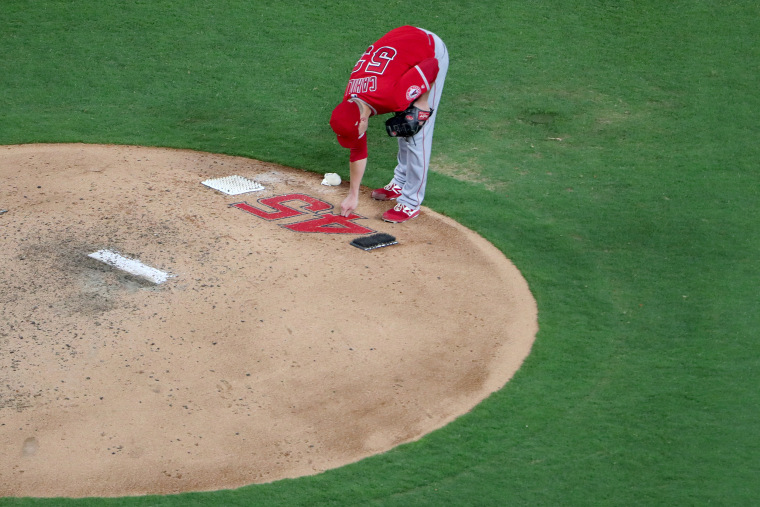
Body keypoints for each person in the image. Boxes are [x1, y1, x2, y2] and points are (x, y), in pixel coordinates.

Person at [329, 26, 449, 223]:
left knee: (416, 130)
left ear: (362, 120)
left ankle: (411, 202)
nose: (354, 138)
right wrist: (353, 194)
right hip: (400, 51)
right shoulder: (350, 104)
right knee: (403, 122)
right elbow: (357, 150)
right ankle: (400, 182)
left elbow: (431, 66)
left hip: (428, 48)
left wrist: (421, 103)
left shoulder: (392, 95)